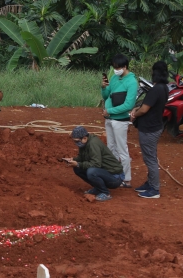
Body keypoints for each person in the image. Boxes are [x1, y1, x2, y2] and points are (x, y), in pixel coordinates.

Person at [130, 61, 169, 199]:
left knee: (150, 159)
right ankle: (150, 183)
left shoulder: (155, 89)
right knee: (150, 157)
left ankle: (154, 189)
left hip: (149, 129)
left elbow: (145, 109)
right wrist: (137, 109)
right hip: (156, 126)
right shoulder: (164, 88)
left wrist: (135, 113)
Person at [101, 54, 137, 188]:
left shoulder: (132, 82)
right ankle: (114, 173)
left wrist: (110, 111)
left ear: (125, 67)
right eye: (114, 67)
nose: (115, 70)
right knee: (111, 147)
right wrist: (103, 87)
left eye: (118, 68)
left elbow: (128, 105)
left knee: (122, 149)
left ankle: (126, 179)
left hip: (120, 120)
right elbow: (106, 96)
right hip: (109, 119)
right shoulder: (115, 78)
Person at [63, 126, 125, 202]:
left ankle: (105, 192)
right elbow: (82, 157)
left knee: (91, 172)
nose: (76, 144)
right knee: (77, 168)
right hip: (106, 172)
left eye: (77, 141)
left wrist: (79, 164)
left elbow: (96, 164)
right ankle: (98, 188)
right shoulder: (84, 143)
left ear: (85, 138)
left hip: (115, 177)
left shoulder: (93, 144)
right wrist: (73, 160)